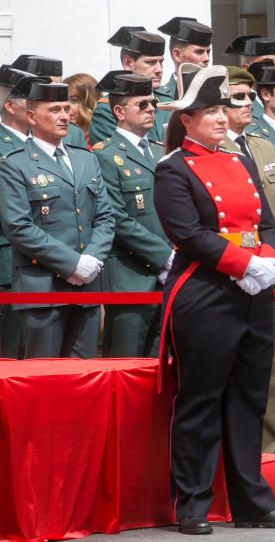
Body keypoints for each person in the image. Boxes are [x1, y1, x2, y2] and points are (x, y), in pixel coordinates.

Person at [153, 64, 275, 534]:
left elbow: (269, 219)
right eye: (210, 110)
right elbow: (189, 234)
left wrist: (271, 258)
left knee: (249, 398)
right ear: (187, 119)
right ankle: (192, 503)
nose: (221, 117)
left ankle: (250, 500)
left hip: (253, 290)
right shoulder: (172, 168)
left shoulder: (239, 160)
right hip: (205, 292)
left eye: (224, 108)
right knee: (200, 399)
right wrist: (243, 264)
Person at [0, 76, 115, 358]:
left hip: (88, 286)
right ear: (31, 116)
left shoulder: (85, 159)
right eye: (54, 110)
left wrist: (92, 260)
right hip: (43, 288)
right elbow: (19, 227)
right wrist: (73, 263)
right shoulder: (15, 164)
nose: (65, 116)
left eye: (66, 108)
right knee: (44, 378)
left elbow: (105, 217)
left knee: (84, 377)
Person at [218, 66, 275, 453]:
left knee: (274, 372)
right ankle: (239, 453)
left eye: (251, 96)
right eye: (238, 97)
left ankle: (269, 452)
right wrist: (255, 259)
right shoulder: (216, 150)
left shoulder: (263, 145)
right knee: (237, 371)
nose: (247, 103)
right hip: (236, 276)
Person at [92, 71, 173, 357]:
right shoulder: (105, 155)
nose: (151, 109)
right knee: (125, 364)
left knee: (159, 364)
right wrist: (164, 256)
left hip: (167, 277)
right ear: (119, 111)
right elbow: (116, 217)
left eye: (152, 103)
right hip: (130, 275)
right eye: (142, 104)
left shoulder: (161, 151)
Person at [0, 65, 36, 358]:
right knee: (10, 354)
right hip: (9, 264)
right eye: (31, 102)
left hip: (45, 266)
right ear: (10, 106)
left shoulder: (42, 144)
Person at [92, 27, 167, 143]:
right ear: (128, 63)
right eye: (150, 62)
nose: (159, 69)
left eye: (161, 62)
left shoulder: (167, 101)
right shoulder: (108, 109)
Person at [65, 73, 98, 144]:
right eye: (63, 100)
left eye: (73, 100)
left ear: (90, 102)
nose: (66, 106)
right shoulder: (59, 137)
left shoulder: (104, 136)